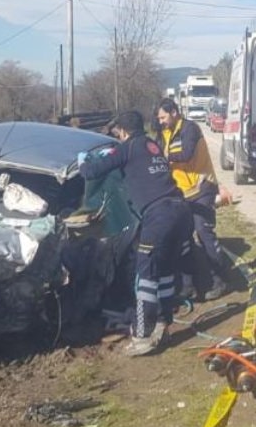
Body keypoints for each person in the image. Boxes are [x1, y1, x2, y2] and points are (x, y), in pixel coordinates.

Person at [78, 110, 192, 357]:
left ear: (123, 131)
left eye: (118, 132)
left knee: (146, 274)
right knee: (163, 272)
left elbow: (90, 173)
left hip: (159, 215)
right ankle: (162, 322)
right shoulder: (152, 144)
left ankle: (142, 335)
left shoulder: (127, 148)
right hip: (180, 211)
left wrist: (83, 161)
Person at [155, 98, 229, 300]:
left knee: (202, 230)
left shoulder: (190, 129)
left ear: (174, 112)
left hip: (201, 186)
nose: (161, 121)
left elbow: (186, 154)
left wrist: (164, 157)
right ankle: (188, 285)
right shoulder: (164, 132)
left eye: (163, 117)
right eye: (158, 118)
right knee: (182, 236)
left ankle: (219, 279)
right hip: (181, 191)